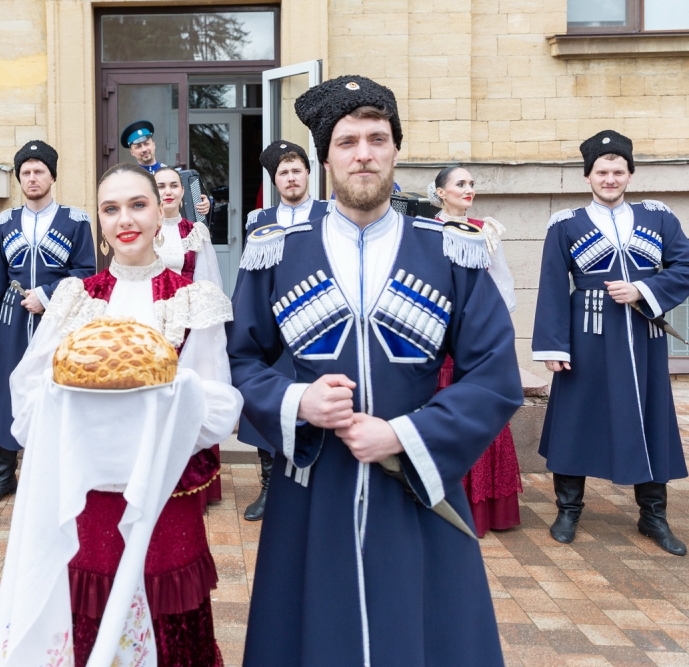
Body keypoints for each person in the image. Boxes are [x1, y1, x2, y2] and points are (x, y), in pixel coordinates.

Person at [226, 76, 523, 666]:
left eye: (377, 139)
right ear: (326, 159)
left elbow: (494, 375)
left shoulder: (450, 250)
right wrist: (297, 402)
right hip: (313, 486)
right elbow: (238, 361)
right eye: (347, 142)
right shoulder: (275, 251)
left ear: (395, 150)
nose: (363, 154)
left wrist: (404, 434)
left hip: (414, 484)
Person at [0, 163, 240, 667]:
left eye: (138, 205)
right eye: (111, 209)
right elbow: (30, 393)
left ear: (160, 213)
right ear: (100, 223)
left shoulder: (192, 298)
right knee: (92, 604)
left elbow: (215, 405)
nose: (125, 219)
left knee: (167, 612)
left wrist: (150, 411)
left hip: (166, 490)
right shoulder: (76, 298)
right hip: (89, 491)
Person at [533, 130, 689, 555]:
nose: (610, 179)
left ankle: (653, 516)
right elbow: (552, 285)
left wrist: (644, 289)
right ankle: (568, 511)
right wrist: (553, 346)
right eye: (602, 172)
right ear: (588, 176)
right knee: (576, 418)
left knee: (651, 416)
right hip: (587, 335)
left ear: (630, 174)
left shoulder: (658, 217)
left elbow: (684, 265)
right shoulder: (566, 224)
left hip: (644, 334)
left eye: (618, 172)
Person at [0, 141, 97, 508]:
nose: (32, 178)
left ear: (52, 176)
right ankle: (4, 475)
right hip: (11, 319)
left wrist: (47, 293)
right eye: (25, 172)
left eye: (39, 171)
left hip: (58, 320)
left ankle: (54, 476)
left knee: (57, 391)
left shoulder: (76, 221)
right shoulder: (5, 222)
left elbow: (87, 272)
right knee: (6, 393)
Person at [237, 140, 331, 521]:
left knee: (317, 405)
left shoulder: (330, 214)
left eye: (296, 170)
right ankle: (269, 487)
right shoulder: (260, 221)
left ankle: (318, 489)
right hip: (273, 330)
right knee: (268, 404)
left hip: (320, 325)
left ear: (308, 173)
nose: (291, 178)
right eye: (283, 173)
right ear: (274, 181)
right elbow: (248, 278)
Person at [427, 166, 521, 537]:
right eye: (460, 184)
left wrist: (491, 331)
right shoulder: (426, 230)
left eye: (471, 184)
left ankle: (484, 507)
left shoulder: (486, 231)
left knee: (480, 409)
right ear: (440, 192)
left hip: (477, 337)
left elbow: (502, 287)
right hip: (438, 338)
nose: (468, 189)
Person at [154, 165, 225, 504]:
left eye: (173, 185)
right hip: (151, 324)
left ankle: (195, 485)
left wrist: (201, 330)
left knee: (189, 398)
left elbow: (208, 283)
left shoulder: (195, 232)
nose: (168, 191)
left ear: (184, 192)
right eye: (161, 186)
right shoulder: (145, 230)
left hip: (186, 326)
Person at [121, 119, 210, 217]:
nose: (144, 149)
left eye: (146, 144)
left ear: (153, 145)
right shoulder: (129, 180)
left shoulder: (175, 174)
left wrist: (205, 203)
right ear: (132, 152)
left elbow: (193, 200)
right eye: (138, 147)